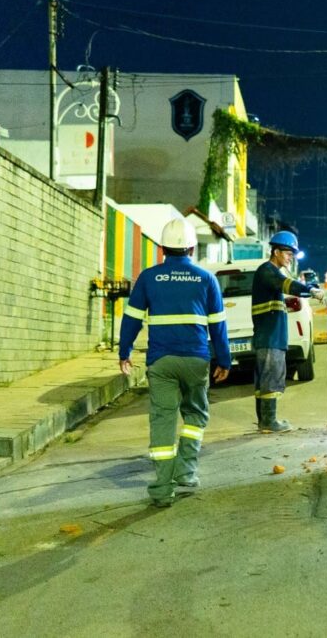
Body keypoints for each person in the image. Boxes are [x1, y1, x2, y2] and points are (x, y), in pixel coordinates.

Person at [119, 218, 231, 508]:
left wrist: (124, 352)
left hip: (161, 361)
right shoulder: (206, 279)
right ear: (192, 248)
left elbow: (132, 319)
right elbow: (218, 325)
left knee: (162, 420)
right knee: (195, 415)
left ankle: (161, 489)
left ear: (162, 248)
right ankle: (186, 472)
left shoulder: (148, 278)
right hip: (196, 359)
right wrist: (224, 360)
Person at [252, 230, 324, 432]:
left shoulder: (270, 273)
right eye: (288, 253)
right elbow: (287, 285)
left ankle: (264, 421)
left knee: (266, 379)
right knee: (271, 379)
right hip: (269, 337)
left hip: (269, 336)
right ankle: (269, 422)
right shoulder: (267, 271)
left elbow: (287, 285)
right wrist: (310, 290)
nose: (290, 257)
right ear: (276, 252)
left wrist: (308, 289)